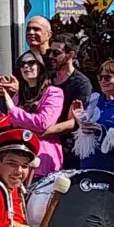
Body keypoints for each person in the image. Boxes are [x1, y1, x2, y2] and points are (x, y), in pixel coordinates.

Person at [0, 50, 63, 176]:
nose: (26, 67)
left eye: (31, 63)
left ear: (40, 67)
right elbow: (13, 123)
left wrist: (12, 108)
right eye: (22, 64)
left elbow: (43, 123)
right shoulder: (18, 95)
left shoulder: (54, 93)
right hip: (19, 157)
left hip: (43, 156)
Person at [43, 35, 92, 170]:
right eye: (49, 52)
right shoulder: (47, 78)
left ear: (70, 54)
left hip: (67, 149)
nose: (51, 56)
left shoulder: (81, 84)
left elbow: (75, 121)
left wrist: (42, 132)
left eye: (56, 53)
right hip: (44, 145)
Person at [74, 59, 114, 172]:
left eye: (107, 77)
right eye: (100, 77)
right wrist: (81, 119)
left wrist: (101, 131)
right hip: (89, 167)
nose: (102, 81)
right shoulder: (95, 100)